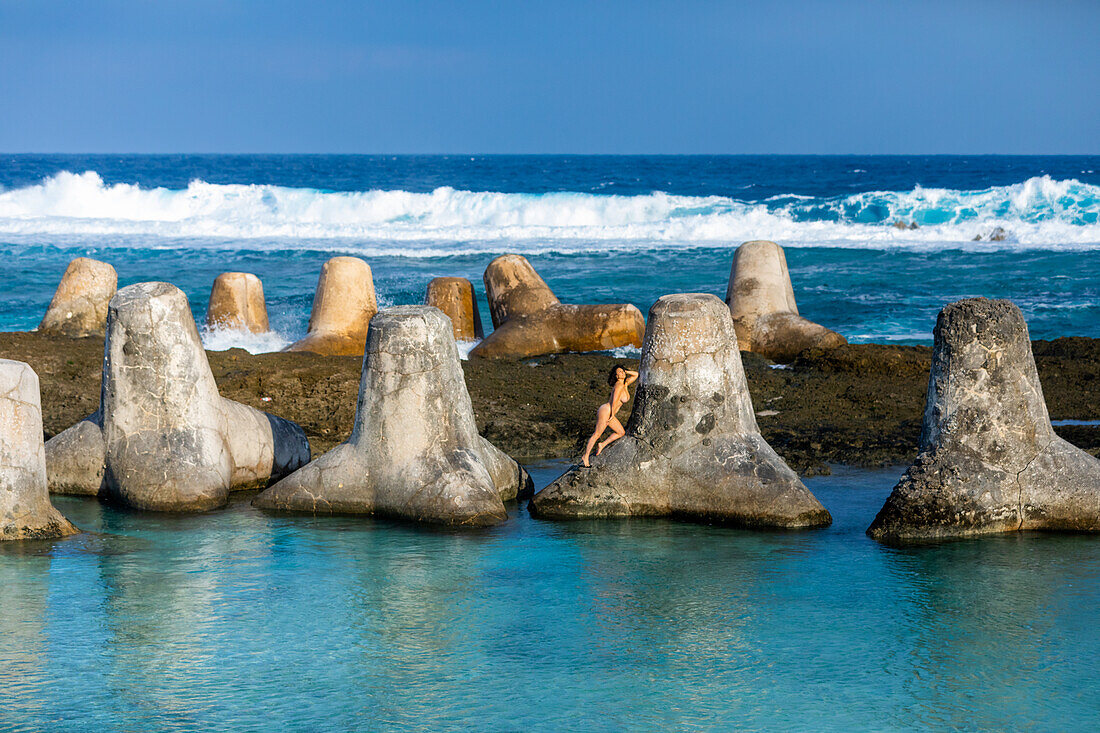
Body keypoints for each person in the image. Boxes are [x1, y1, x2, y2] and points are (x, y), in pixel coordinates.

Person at [581, 364, 639, 467]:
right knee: (597, 434)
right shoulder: (619, 385)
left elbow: (636, 375)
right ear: (616, 376)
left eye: (622, 371)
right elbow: (614, 401)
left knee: (621, 432)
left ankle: (602, 444)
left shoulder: (624, 383)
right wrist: (612, 415)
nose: (622, 373)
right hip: (607, 411)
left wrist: (626, 371)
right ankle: (585, 457)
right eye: (619, 372)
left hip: (609, 412)